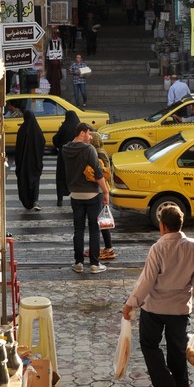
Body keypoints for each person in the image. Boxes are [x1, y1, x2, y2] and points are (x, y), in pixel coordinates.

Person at [122, 204, 194, 387]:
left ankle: (165, 383)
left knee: (149, 345)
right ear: (181, 223)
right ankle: (180, 386)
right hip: (180, 309)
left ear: (162, 225)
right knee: (177, 349)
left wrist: (131, 304)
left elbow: (147, 281)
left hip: (153, 308)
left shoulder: (158, 248)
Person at [62, 123, 109, 275]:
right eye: (89, 134)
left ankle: (78, 263)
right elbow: (98, 172)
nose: (90, 137)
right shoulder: (89, 149)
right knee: (94, 229)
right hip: (92, 194)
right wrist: (106, 191)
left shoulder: (65, 149)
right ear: (82, 133)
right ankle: (94, 264)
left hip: (75, 194)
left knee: (78, 229)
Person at [91, 131, 116, 260]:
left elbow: (103, 172)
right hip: (103, 188)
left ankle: (108, 248)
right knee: (101, 220)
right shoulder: (100, 151)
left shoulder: (98, 153)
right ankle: (104, 247)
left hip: (101, 189)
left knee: (102, 221)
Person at [14, 110, 45, 211]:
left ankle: (27, 202)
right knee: (35, 180)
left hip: (23, 163)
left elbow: (18, 147)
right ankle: (35, 200)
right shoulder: (37, 130)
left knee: (24, 181)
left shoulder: (22, 130)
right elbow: (42, 143)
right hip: (35, 162)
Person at [52, 110, 80, 207]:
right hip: (76, 155)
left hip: (63, 155)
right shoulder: (79, 127)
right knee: (75, 177)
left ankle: (60, 200)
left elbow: (56, 139)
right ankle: (75, 198)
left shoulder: (64, 127)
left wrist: (59, 145)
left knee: (61, 177)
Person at [46, 27, 63, 96]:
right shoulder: (50, 42)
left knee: (55, 83)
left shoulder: (59, 41)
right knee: (53, 84)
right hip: (52, 68)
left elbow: (60, 52)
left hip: (55, 67)